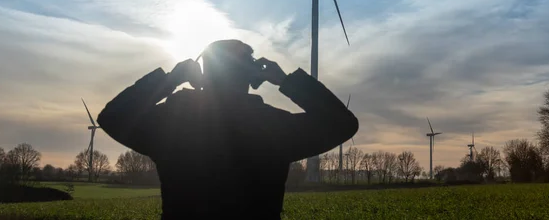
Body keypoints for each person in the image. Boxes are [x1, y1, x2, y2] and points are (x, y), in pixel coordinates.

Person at [97, 39, 359, 219]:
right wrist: (287, 81)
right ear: (254, 77)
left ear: (201, 73)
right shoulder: (275, 127)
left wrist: (168, 81)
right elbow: (343, 124)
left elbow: (112, 117)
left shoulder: (170, 124)